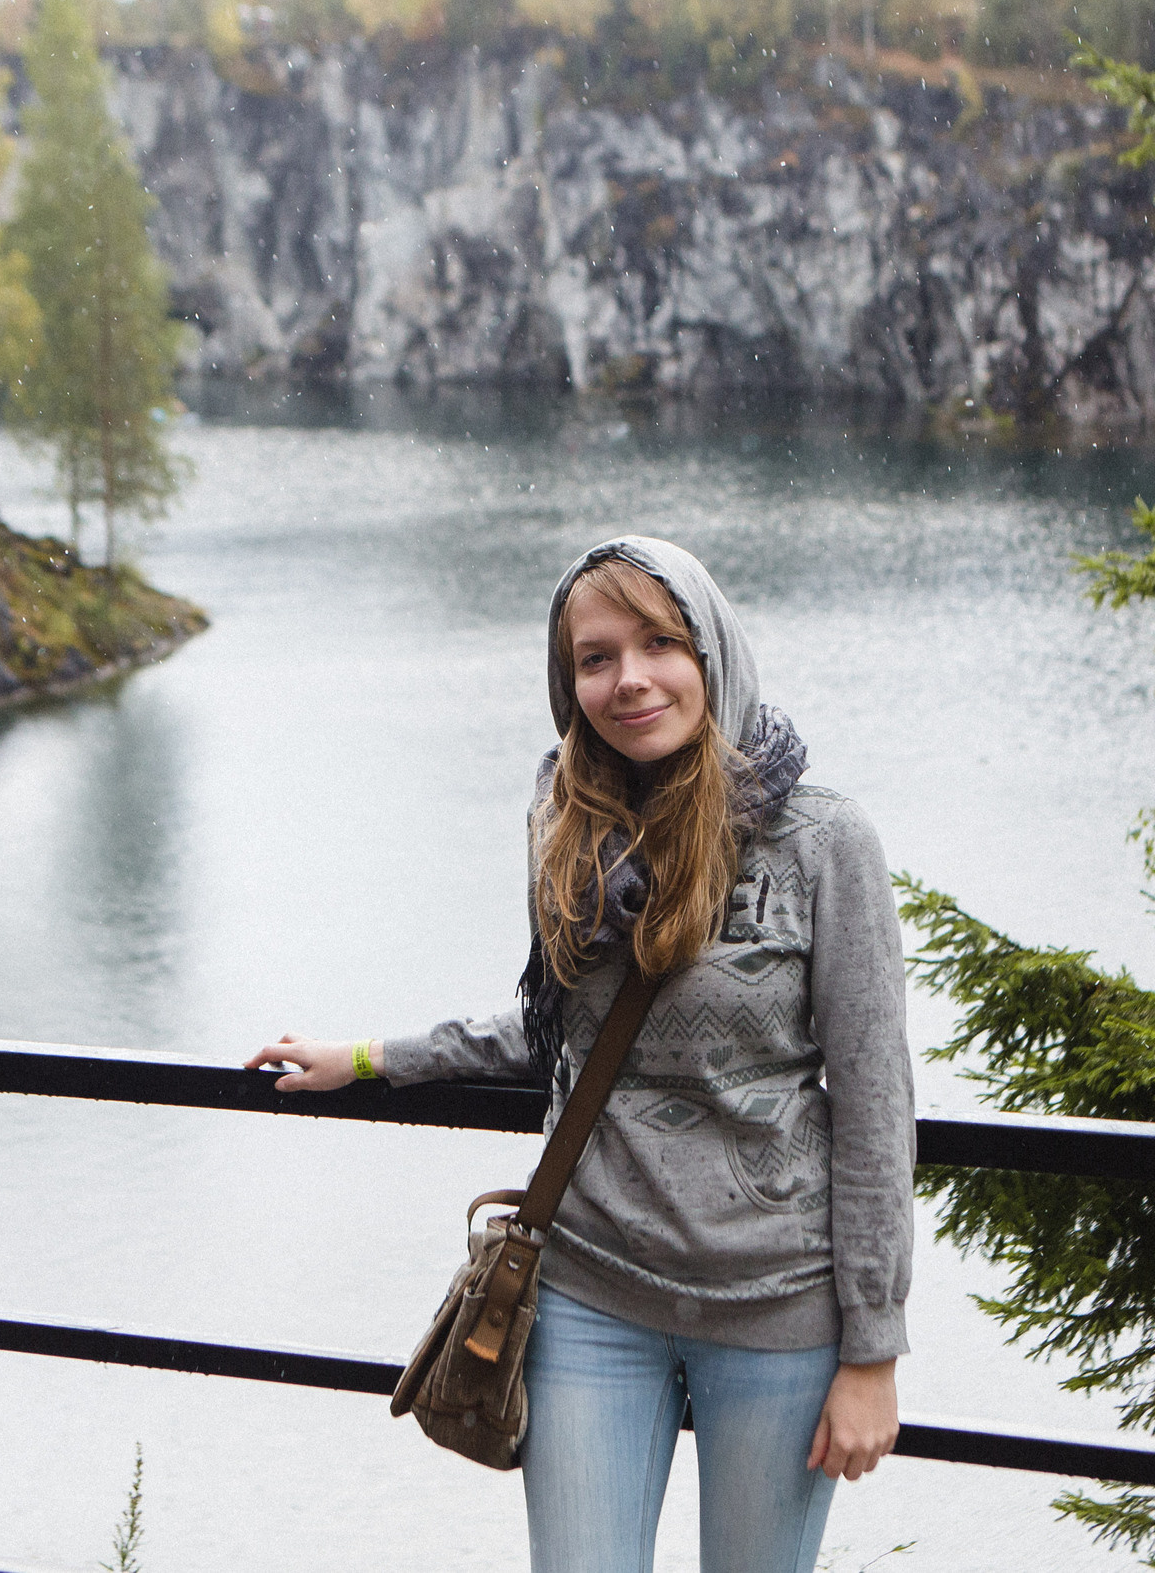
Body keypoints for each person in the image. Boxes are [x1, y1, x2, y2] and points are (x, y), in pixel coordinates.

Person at [244, 535, 914, 1573]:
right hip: (590, 1289)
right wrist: (371, 1059)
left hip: (777, 1307)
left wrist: (872, 1351)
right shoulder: (562, 818)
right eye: (594, 658)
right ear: (567, 684)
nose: (628, 679)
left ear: (713, 654)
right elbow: (558, 1031)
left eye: (659, 644)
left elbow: (874, 1103)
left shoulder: (823, 843)